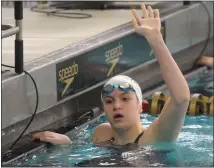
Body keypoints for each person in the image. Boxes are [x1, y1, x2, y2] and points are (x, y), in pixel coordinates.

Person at [32, 3, 190, 146]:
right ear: (104, 109)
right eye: (109, 101)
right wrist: (68, 143)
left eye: (125, 98)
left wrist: (156, 40)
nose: (117, 106)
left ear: (140, 106)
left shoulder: (155, 137)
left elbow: (181, 99)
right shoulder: (102, 134)